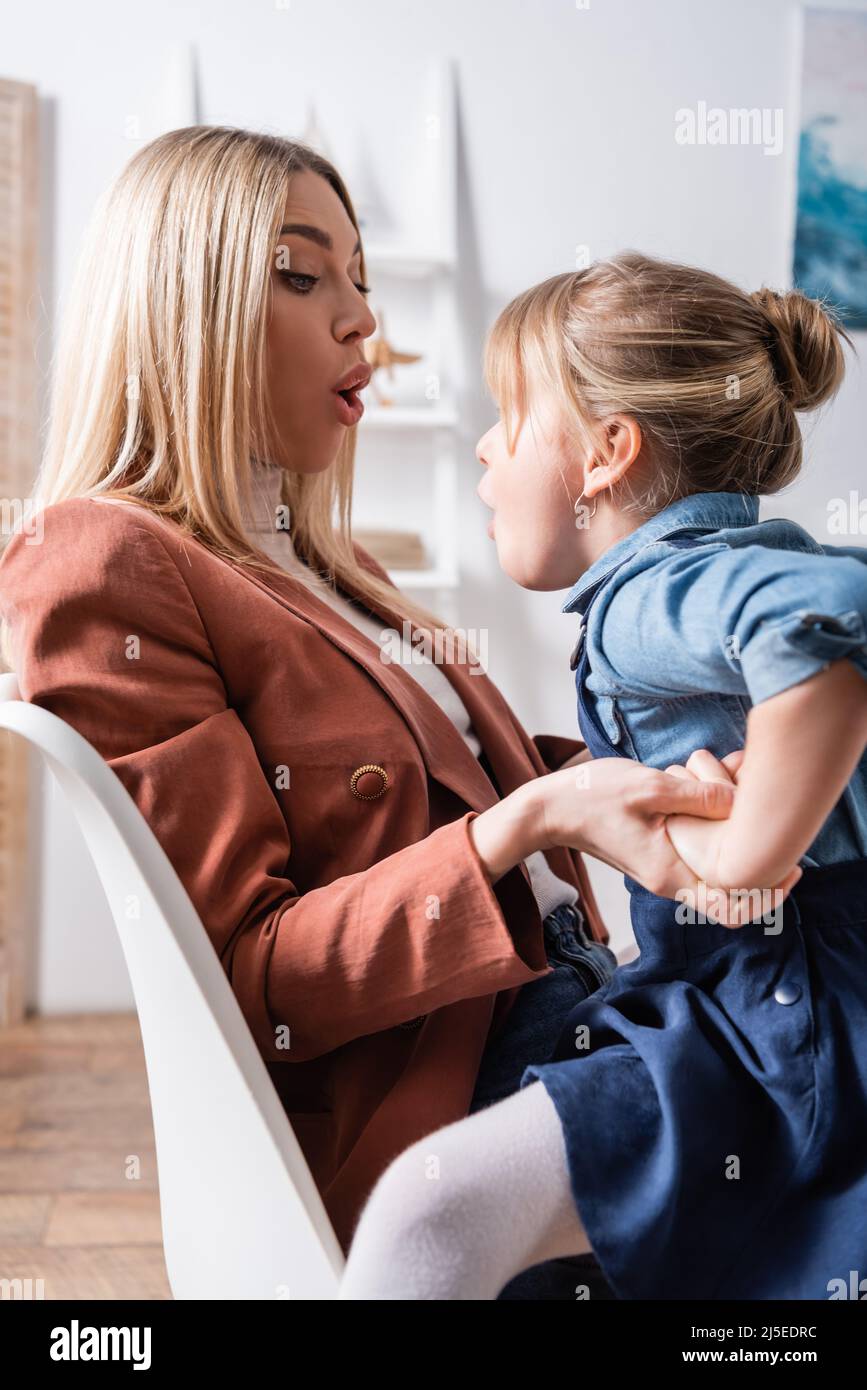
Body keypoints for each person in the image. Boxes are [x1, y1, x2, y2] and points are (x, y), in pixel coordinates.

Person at [0, 135, 765, 1298]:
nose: (365, 321)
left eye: (362, 276)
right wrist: (538, 818)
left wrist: (679, 778)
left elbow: (441, 787)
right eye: (302, 274)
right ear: (179, 304)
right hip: (469, 1088)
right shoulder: (104, 560)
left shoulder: (322, 558)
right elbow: (253, 981)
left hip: (588, 1005)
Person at [338, 252, 867, 1301]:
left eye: (508, 416)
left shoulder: (646, 600)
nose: (485, 447)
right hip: (782, 995)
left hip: (772, 1015)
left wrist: (741, 853)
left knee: (428, 1208)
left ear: (605, 453)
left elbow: (826, 648)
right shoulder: (729, 565)